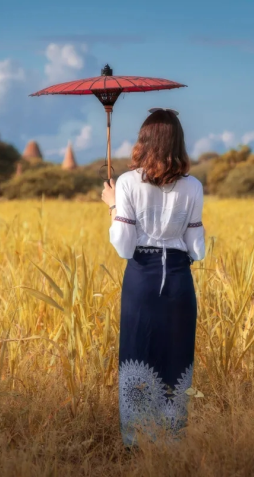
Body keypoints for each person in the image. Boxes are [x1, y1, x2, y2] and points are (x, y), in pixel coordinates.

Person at [100, 108, 205, 448]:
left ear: (144, 141)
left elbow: (123, 246)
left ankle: (136, 443)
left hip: (141, 280)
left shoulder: (128, 183)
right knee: (175, 357)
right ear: (178, 142)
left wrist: (114, 204)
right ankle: (172, 443)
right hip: (178, 280)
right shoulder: (194, 186)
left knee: (138, 351)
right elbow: (198, 249)